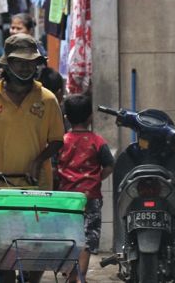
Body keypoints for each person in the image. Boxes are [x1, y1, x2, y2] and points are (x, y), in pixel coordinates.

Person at [0, 33, 65, 283]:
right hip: (0, 190)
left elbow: (57, 141)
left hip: (37, 188)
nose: (25, 66)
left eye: (30, 62)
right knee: (4, 255)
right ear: (7, 63)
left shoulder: (48, 99)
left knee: (35, 253)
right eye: (19, 61)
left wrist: (38, 160)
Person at [56, 94, 115, 282]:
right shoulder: (97, 141)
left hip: (67, 199)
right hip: (91, 198)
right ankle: (79, 277)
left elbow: (53, 167)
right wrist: (97, 178)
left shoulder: (61, 141)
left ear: (66, 117)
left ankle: (70, 275)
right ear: (90, 117)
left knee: (69, 237)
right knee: (87, 240)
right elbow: (109, 165)